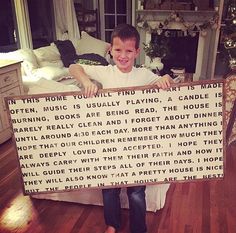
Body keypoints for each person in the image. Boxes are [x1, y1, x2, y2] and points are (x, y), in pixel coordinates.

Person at [69, 24, 173, 233]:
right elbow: (73, 67)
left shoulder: (143, 74)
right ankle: (112, 224)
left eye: (128, 51)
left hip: (136, 144)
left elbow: (166, 80)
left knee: (136, 191)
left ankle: (138, 228)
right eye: (118, 50)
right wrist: (86, 81)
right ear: (110, 50)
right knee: (109, 189)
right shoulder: (105, 71)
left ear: (137, 52)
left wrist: (164, 79)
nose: (123, 56)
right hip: (110, 142)